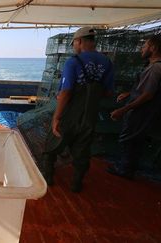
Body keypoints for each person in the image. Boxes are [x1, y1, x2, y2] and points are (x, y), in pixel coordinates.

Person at [42, 27, 114, 192]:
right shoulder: (107, 62)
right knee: (82, 150)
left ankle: (48, 177)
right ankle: (76, 183)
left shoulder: (73, 62)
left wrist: (56, 118)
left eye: (74, 42)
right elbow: (109, 92)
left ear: (80, 41)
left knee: (51, 145)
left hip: (69, 115)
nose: (73, 45)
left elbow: (66, 92)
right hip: (90, 116)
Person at [108, 35, 161, 179]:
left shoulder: (155, 68)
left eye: (144, 46)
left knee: (129, 139)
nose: (141, 49)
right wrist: (128, 93)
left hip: (142, 112)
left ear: (153, 48)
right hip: (144, 112)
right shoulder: (152, 66)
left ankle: (125, 170)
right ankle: (127, 168)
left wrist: (123, 110)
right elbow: (144, 89)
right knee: (134, 140)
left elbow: (148, 95)